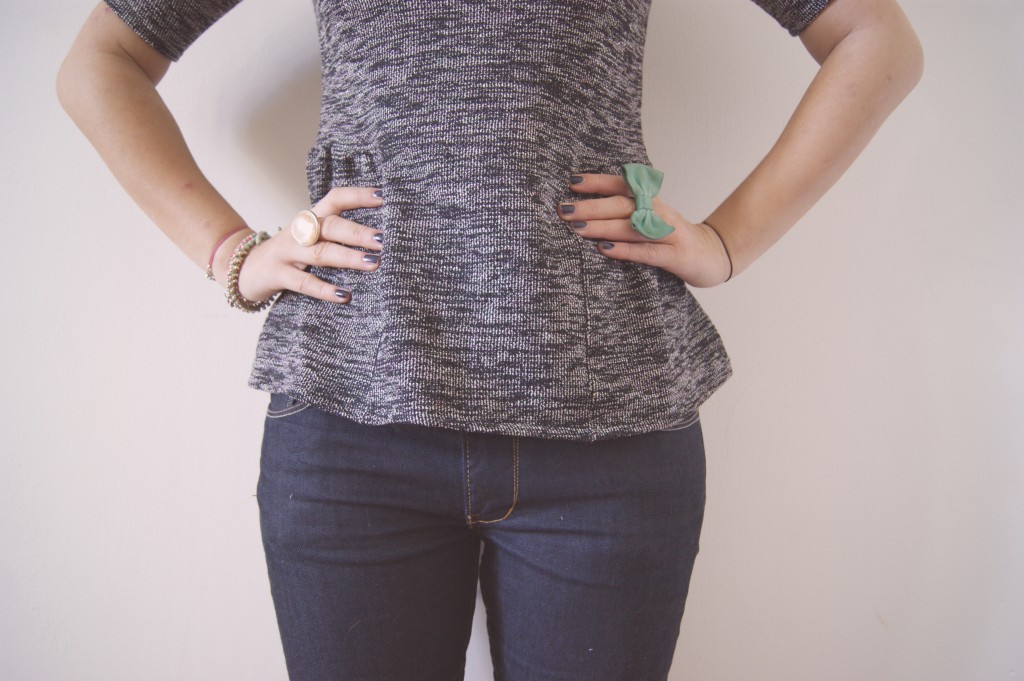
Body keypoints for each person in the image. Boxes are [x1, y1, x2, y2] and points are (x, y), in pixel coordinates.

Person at [57, 0, 923, 679]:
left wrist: (726, 241)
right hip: (351, 431)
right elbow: (100, 64)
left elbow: (875, 40)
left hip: (608, 436)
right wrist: (231, 253)